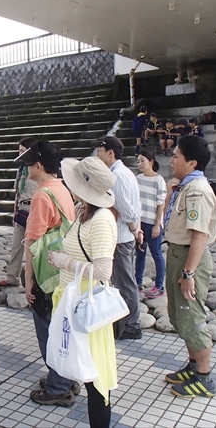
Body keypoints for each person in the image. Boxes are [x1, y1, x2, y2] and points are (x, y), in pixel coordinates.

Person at [47, 156, 118, 428]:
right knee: (85, 371)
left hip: (87, 305)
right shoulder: (83, 210)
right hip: (72, 297)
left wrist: (65, 262)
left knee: (96, 381)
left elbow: (103, 271)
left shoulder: (100, 220)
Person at [18, 140, 78, 407]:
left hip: (47, 272)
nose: (26, 168)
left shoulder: (42, 195)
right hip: (64, 270)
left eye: (28, 163)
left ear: (39, 165)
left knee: (49, 330)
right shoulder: (62, 188)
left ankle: (58, 388)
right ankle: (67, 377)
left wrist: (29, 280)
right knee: (63, 327)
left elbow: (32, 240)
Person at [163, 135, 216, 398]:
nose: (172, 160)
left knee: (192, 317)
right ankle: (194, 365)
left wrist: (189, 273)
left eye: (176, 156)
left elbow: (199, 235)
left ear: (192, 161)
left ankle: (205, 377)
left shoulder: (197, 190)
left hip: (189, 258)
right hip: (178, 253)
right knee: (179, 315)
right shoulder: (184, 186)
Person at [95, 136, 143, 340]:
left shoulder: (117, 176)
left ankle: (132, 325)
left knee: (124, 282)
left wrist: (134, 229)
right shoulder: (122, 172)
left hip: (122, 236)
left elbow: (126, 208)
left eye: (100, 150)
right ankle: (124, 322)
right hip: (122, 235)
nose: (98, 154)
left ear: (110, 153)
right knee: (121, 281)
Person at [0, 137, 38, 288]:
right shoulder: (21, 169)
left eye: (23, 150)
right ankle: (11, 276)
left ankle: (34, 279)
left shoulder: (39, 167)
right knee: (16, 245)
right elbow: (17, 193)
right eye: (19, 151)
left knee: (33, 247)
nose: (20, 153)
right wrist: (14, 211)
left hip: (35, 210)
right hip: (21, 210)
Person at [135, 151, 167, 298]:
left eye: (142, 161)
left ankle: (159, 286)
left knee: (156, 254)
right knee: (140, 253)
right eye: (138, 161)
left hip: (153, 223)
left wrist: (157, 225)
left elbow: (160, 204)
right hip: (141, 222)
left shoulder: (159, 180)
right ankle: (138, 282)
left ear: (151, 161)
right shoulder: (138, 179)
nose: (140, 164)